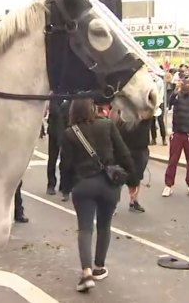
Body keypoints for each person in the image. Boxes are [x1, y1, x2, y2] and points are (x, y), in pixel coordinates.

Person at [59, 98, 135, 292]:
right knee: (104, 226)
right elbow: (124, 153)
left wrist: (66, 188)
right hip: (109, 183)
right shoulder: (107, 125)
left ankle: (86, 273)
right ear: (92, 108)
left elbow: (65, 165)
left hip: (84, 184)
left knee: (85, 229)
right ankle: (99, 267)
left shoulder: (69, 133)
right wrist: (131, 178)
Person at [163, 77, 189, 197]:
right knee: (173, 160)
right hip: (178, 132)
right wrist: (176, 89)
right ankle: (168, 185)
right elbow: (169, 103)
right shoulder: (177, 96)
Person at [113, 109, 151, 213]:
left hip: (140, 150)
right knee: (119, 176)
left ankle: (134, 201)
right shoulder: (122, 114)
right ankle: (113, 204)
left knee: (137, 176)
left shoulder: (145, 114)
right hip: (124, 149)